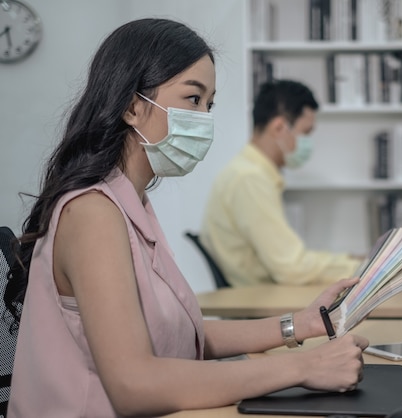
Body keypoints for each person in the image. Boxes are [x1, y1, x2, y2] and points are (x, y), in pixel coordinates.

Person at [4, 19, 368, 417]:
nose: (204, 118)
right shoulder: (92, 214)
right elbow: (134, 385)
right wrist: (304, 366)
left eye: (209, 104)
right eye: (193, 99)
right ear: (132, 106)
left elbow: (179, 332)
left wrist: (300, 324)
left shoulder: (131, 203)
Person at [200, 79, 362, 286]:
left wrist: (349, 261)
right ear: (278, 128)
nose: (308, 143)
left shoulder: (248, 172)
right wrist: (364, 266)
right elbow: (292, 268)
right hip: (263, 303)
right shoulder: (250, 179)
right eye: (306, 133)